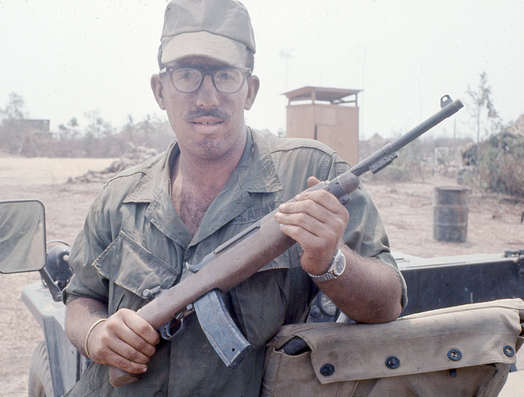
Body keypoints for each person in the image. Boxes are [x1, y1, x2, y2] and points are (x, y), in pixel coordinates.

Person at [62, 0, 406, 395]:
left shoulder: (311, 175)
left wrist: (331, 263)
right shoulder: (118, 197)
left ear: (250, 90)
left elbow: (388, 303)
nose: (206, 97)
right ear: (159, 90)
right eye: (186, 75)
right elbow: (81, 297)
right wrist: (95, 334)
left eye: (225, 75)